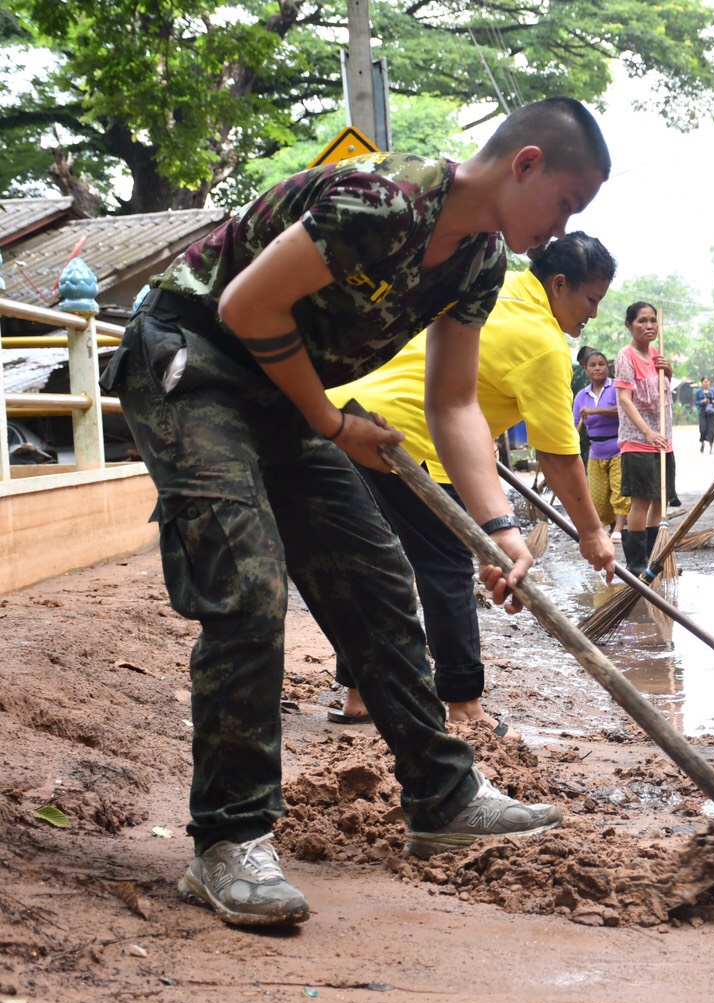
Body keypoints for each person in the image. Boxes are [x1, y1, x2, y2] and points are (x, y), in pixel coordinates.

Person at [98, 97, 611, 927]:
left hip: (281, 391)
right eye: (566, 204)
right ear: (525, 166)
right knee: (248, 585)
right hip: (191, 357)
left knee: (375, 577)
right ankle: (229, 840)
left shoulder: (478, 262)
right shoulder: (385, 203)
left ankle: (442, 798)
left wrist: (498, 530)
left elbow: (453, 405)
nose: (560, 231)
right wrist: (333, 424)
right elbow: (245, 309)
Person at [326, 233, 619, 733]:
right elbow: (558, 453)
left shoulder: (492, 285)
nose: (591, 315)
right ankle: (464, 706)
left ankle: (359, 694)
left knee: (367, 567)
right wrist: (592, 533)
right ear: (560, 283)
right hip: (409, 440)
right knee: (444, 570)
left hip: (348, 413)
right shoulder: (543, 342)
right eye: (591, 300)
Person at [615, 302, 676, 575]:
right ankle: (637, 563)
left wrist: (669, 370)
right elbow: (625, 400)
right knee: (641, 500)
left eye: (653, 320)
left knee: (659, 501)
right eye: (642, 321)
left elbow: (661, 393)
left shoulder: (657, 355)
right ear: (629, 325)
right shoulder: (625, 357)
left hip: (664, 439)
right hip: (638, 441)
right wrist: (647, 433)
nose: (649, 325)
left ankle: (655, 558)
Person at [574, 349, 629, 541]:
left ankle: (619, 529)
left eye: (601, 364)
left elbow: (623, 410)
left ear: (608, 367)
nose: (597, 368)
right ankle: (611, 527)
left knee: (619, 491)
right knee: (597, 497)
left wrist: (596, 411)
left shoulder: (616, 387)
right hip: (596, 452)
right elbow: (575, 424)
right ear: (586, 370)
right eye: (593, 365)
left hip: (619, 448)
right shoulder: (581, 396)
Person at [694, 375, 714, 453]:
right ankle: (702, 443)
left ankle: (711, 448)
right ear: (702, 383)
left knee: (711, 430)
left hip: (711, 413)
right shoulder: (698, 392)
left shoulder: (712, 391)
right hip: (702, 413)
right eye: (705, 382)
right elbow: (696, 402)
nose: (706, 383)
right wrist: (702, 402)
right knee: (703, 429)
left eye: (707, 381)